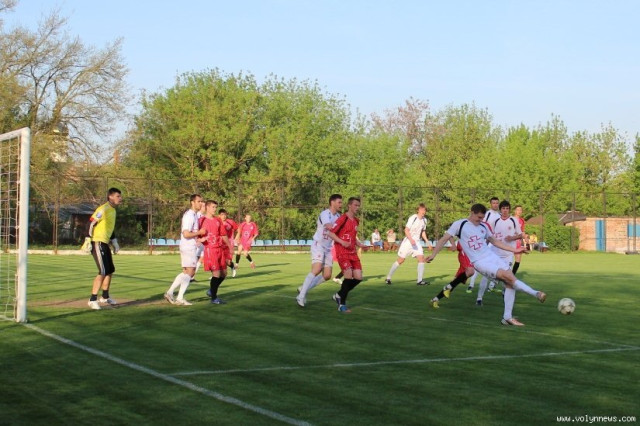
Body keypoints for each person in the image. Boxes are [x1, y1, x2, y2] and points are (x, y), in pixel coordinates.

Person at [426, 203, 546, 326]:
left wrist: (515, 250)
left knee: (509, 281)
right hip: (479, 262)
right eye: (479, 217)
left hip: (491, 256)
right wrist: (433, 255)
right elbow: (443, 239)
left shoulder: (483, 226)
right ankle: (536, 293)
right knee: (507, 276)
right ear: (472, 213)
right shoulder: (460, 224)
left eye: (482, 218)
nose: (480, 220)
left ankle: (507, 317)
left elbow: (495, 241)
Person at [296, 194, 342, 307]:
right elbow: (330, 227)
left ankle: (303, 289)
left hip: (328, 248)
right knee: (316, 269)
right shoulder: (325, 214)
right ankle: (301, 296)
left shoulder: (339, 216)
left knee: (327, 275)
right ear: (332, 202)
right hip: (319, 245)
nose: (341, 204)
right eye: (339, 202)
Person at [475, 200, 523, 306]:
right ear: (500, 210)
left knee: (508, 278)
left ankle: (506, 300)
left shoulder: (514, 220)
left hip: (507, 255)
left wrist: (512, 238)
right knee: (486, 275)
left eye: (507, 208)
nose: (505, 210)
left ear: (509, 210)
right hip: (495, 253)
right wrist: (484, 247)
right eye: (503, 208)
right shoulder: (496, 221)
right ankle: (479, 298)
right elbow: (490, 236)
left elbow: (521, 235)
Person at [164, 194, 206, 306]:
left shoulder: (194, 215)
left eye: (201, 201)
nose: (201, 203)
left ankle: (171, 293)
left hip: (189, 246)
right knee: (190, 272)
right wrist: (199, 232)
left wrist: (199, 239)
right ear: (192, 202)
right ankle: (179, 297)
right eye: (198, 201)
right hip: (188, 247)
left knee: (187, 272)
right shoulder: (190, 215)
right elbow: (186, 234)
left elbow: (191, 233)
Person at [85, 187, 122, 310]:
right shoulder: (103, 209)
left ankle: (105, 297)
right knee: (103, 271)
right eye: (118, 196)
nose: (120, 198)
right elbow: (90, 223)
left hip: (105, 243)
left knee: (110, 270)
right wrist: (87, 239)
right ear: (110, 197)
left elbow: (110, 228)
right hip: (97, 242)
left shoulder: (113, 210)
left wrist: (114, 242)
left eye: (120, 196)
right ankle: (92, 299)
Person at [328, 197, 366, 313]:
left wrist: (360, 244)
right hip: (342, 251)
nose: (357, 207)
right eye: (355, 205)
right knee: (348, 275)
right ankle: (342, 305)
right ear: (349, 205)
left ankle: (339, 295)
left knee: (358, 277)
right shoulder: (342, 218)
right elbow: (331, 233)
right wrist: (342, 242)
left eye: (358, 206)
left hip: (352, 252)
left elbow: (353, 237)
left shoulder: (356, 220)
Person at [385, 203, 430, 286]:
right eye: (422, 210)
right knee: (401, 260)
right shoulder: (413, 218)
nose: (424, 211)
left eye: (424, 210)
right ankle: (388, 278)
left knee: (421, 258)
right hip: (408, 242)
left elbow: (423, 232)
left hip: (416, 242)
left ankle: (420, 281)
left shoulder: (424, 220)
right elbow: (406, 230)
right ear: (418, 210)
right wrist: (411, 239)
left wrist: (427, 242)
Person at [428, 237, 475, 308]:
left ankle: (435, 299)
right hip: (465, 249)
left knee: (455, 281)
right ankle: (448, 287)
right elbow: (449, 235)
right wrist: (453, 244)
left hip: (471, 253)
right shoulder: (463, 229)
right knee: (470, 271)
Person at [467, 196, 501, 293]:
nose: (495, 205)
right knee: (480, 264)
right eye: (493, 203)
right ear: (490, 204)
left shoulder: (500, 215)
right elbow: (481, 225)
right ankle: (471, 284)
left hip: (495, 242)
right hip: (486, 242)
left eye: (497, 203)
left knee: (496, 264)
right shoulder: (487, 214)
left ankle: (491, 286)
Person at [199, 200, 231, 304]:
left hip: (220, 249)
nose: (215, 209)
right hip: (210, 250)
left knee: (224, 274)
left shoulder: (218, 220)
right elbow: (195, 233)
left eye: (215, 207)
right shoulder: (201, 220)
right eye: (213, 207)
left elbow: (223, 234)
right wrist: (199, 239)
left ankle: (211, 291)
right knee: (216, 273)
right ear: (207, 207)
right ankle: (214, 298)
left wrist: (229, 246)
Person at [219, 209, 238, 276]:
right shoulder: (217, 222)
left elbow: (238, 229)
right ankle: (216, 275)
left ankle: (232, 267)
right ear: (219, 215)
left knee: (228, 262)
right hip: (220, 244)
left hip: (229, 244)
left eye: (225, 214)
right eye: (222, 215)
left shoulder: (230, 222)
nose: (224, 216)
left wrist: (237, 237)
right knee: (219, 259)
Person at [192, 201, 209, 281]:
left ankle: (192, 276)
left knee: (201, 258)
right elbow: (195, 228)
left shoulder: (205, 216)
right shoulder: (197, 215)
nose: (205, 208)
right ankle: (189, 275)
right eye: (203, 206)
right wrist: (197, 239)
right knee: (195, 258)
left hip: (203, 240)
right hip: (198, 240)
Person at [512, 205, 526, 275]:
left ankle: (512, 275)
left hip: (518, 242)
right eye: (518, 210)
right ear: (515, 211)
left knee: (518, 260)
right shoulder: (511, 219)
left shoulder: (522, 220)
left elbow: (522, 232)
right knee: (507, 260)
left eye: (520, 210)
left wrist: (525, 238)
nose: (519, 211)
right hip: (510, 242)